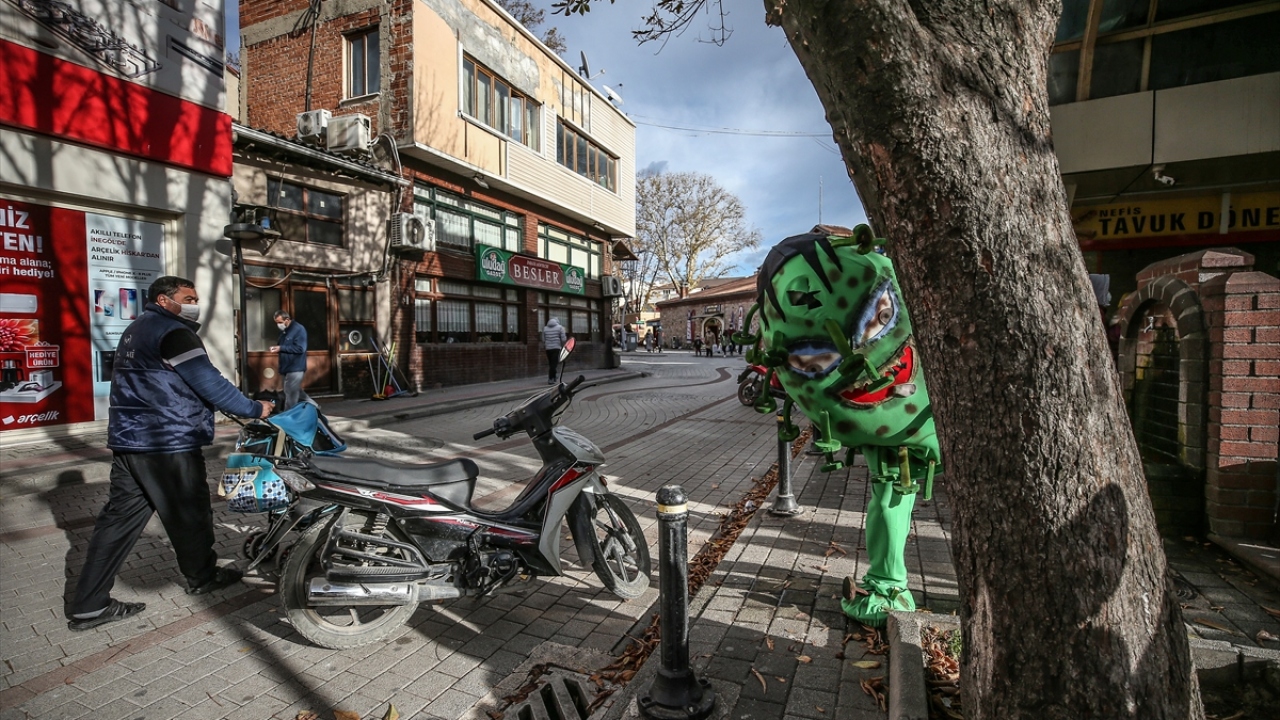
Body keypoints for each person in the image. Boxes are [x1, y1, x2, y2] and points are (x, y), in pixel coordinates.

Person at [66, 276, 273, 631]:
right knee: (190, 514)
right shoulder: (173, 332)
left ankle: (88, 604)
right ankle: (202, 577)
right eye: (188, 297)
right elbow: (207, 381)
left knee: (117, 523)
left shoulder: (136, 329)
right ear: (164, 300)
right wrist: (255, 408)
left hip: (130, 442)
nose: (194, 303)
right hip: (167, 441)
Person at [270, 311, 311, 410]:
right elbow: (284, 346)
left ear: (287, 320)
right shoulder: (285, 331)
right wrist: (278, 348)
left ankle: (289, 415)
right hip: (286, 367)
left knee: (290, 393)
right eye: (276, 322)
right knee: (296, 392)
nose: (278, 325)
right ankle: (315, 407)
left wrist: (281, 348)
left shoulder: (298, 330)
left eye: (279, 322)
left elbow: (301, 348)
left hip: (295, 367)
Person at [542, 317, 568, 384]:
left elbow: (543, 339)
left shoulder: (545, 328)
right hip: (556, 347)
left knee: (551, 363)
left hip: (548, 348)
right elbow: (563, 339)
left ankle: (554, 376)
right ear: (557, 322)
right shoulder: (560, 328)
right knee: (554, 364)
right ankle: (550, 378)